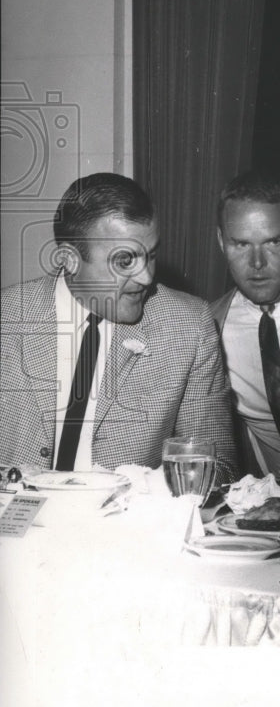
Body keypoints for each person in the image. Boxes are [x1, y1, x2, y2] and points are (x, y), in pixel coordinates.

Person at [0, 173, 239, 480]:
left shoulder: (188, 326)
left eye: (150, 255)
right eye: (124, 260)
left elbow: (217, 467)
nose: (146, 277)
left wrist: (142, 498)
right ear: (70, 260)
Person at [213, 171, 280, 494]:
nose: (257, 263)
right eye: (241, 244)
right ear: (221, 242)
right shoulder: (208, 328)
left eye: (274, 242)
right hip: (266, 506)